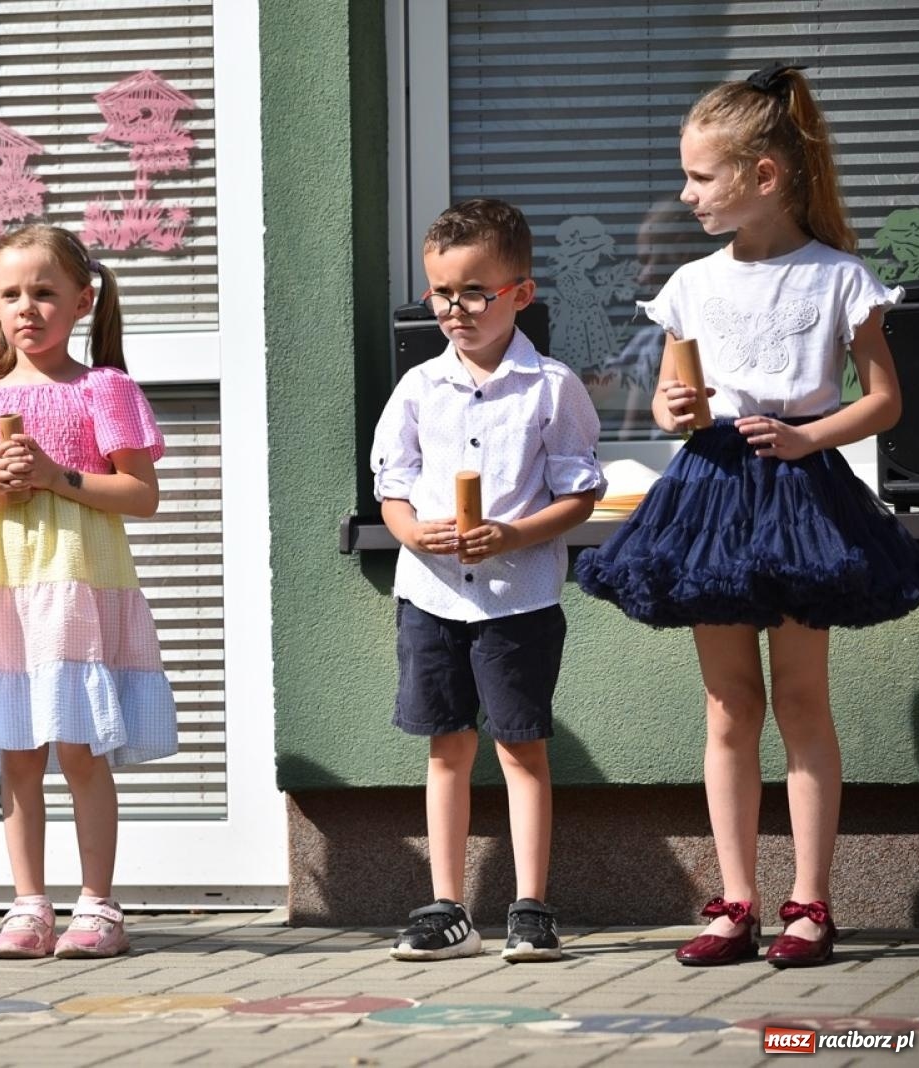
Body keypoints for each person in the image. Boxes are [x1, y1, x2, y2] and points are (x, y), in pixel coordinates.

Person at [576, 64, 919, 968]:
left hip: (802, 488)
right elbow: (670, 397)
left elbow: (884, 401)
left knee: (803, 699)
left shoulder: (839, 277)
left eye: (700, 177)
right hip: (715, 494)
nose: (685, 194)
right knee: (730, 705)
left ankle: (811, 901)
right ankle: (734, 900)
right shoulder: (692, 283)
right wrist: (676, 415)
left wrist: (814, 439)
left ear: (763, 176)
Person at [0, 223, 176, 960]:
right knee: (17, 750)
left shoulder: (104, 388)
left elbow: (141, 493)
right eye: (11, 294)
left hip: (74, 581)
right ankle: (28, 905)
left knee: (78, 747)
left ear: (82, 300)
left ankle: (98, 904)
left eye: (44, 292)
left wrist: (56, 478)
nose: (26, 308)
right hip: (2, 585)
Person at [371, 198, 605, 963]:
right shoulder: (417, 388)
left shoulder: (552, 388)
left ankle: (531, 905)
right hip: (432, 595)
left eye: (475, 292)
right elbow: (393, 485)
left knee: (522, 748)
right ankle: (448, 908)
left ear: (520, 295)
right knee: (446, 748)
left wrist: (513, 533)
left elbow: (579, 492)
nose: (455, 309)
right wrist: (412, 533)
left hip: (518, 597)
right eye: (441, 292)